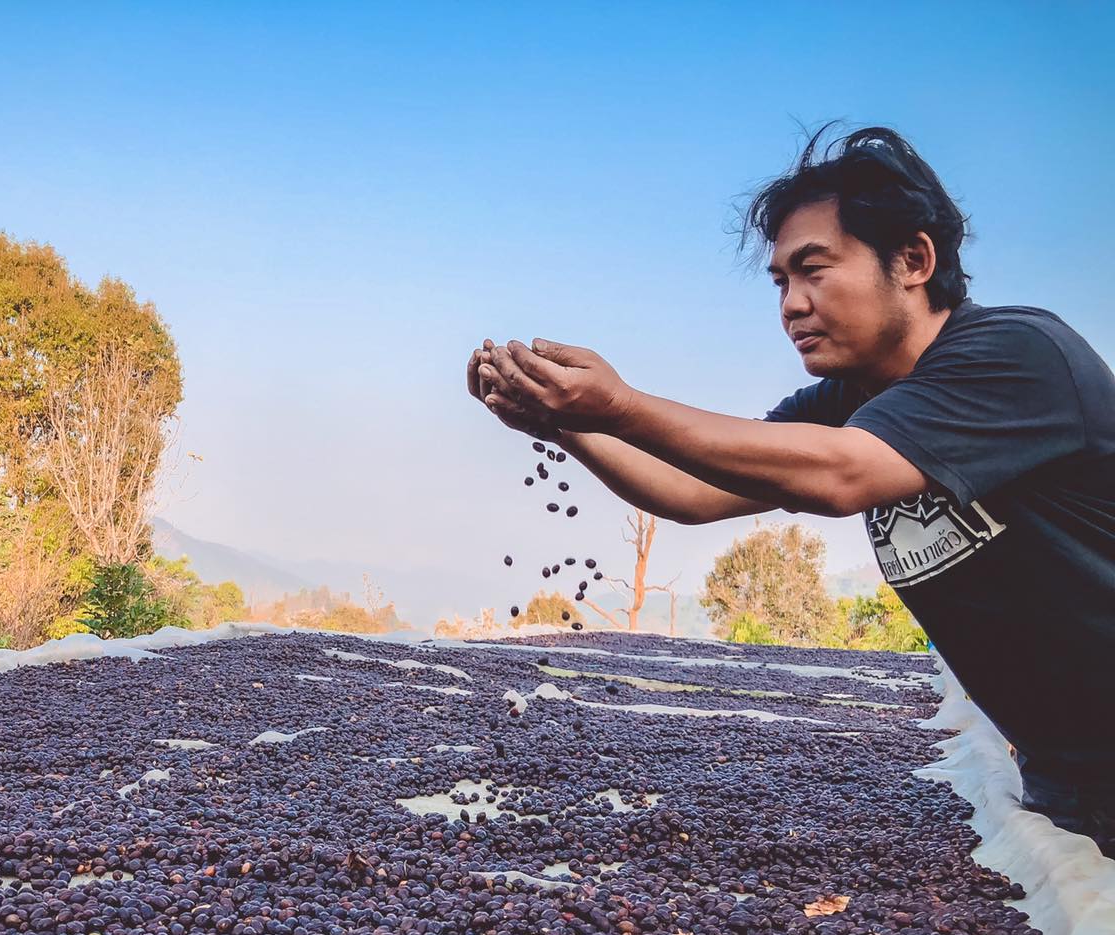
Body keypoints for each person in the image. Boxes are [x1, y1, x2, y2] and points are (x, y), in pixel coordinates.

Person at [468, 125, 1115, 852]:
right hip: (1069, 777)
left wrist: (619, 404)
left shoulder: (1020, 355)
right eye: (780, 281)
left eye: (814, 270)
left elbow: (841, 475)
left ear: (913, 259)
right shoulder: (849, 398)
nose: (791, 304)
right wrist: (562, 425)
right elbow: (691, 491)